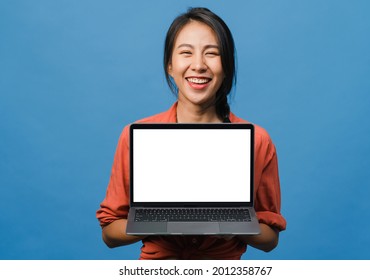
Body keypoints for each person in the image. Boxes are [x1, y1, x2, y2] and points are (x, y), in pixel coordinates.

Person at [96, 7, 286, 260]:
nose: (198, 65)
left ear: (226, 67)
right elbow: (110, 233)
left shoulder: (257, 141)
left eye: (212, 54)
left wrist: (235, 227)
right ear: (170, 66)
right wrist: (160, 221)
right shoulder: (134, 136)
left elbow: (269, 239)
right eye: (186, 53)